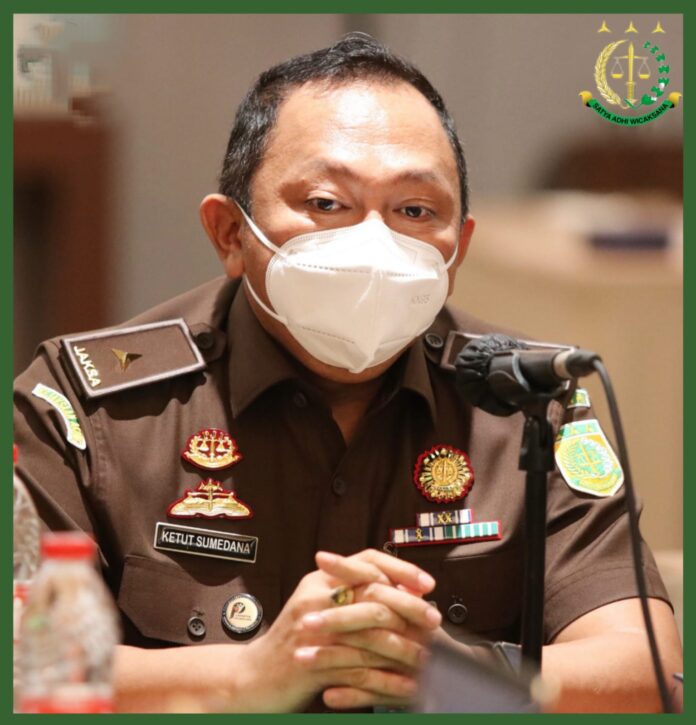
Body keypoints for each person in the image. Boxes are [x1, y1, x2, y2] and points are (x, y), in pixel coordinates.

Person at [14, 33, 682, 713]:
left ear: (458, 249)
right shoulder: (89, 408)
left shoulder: (525, 402)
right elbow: (20, 666)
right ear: (230, 234)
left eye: (415, 211)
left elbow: (646, 674)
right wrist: (247, 674)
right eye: (327, 203)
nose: (374, 242)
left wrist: (453, 670)